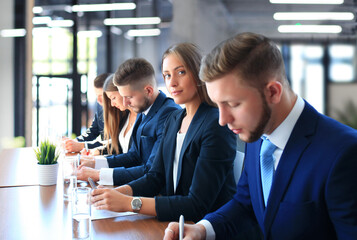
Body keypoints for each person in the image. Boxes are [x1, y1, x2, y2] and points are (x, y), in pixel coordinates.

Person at [164, 32, 357, 240]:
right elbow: (245, 202)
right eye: (218, 104)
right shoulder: (258, 134)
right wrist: (203, 229)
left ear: (273, 92)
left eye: (233, 104)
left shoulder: (344, 152)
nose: (222, 119)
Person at [90, 43, 237, 222]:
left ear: (199, 74)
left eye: (180, 72)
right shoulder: (174, 120)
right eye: (167, 75)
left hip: (204, 226)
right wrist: (115, 194)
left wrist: (130, 203)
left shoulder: (215, 123)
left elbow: (197, 204)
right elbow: (155, 177)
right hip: (175, 222)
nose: (172, 82)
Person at [80, 58, 180, 185]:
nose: (125, 103)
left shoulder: (168, 113)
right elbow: (134, 155)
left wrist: (98, 174)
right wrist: (94, 163)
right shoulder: (143, 108)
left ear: (148, 91)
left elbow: (151, 170)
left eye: (128, 97)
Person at [77, 74, 137, 182]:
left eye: (112, 97)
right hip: (119, 174)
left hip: (125, 176)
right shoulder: (125, 114)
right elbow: (116, 144)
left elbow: (131, 156)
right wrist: (96, 155)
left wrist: (97, 166)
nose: (99, 100)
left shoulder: (125, 113)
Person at [64, 73, 109, 153]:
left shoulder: (123, 111)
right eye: (96, 95)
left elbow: (115, 144)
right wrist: (75, 141)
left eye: (101, 96)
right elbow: (93, 130)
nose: (98, 100)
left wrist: (83, 145)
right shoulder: (100, 106)